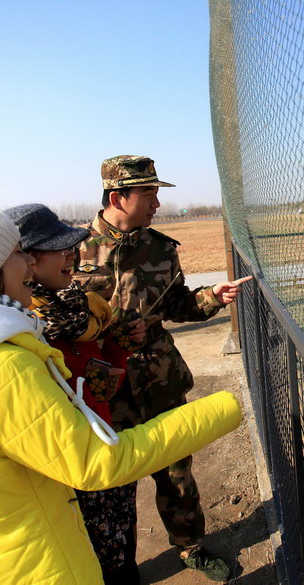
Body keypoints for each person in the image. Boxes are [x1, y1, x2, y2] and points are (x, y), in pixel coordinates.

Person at [0, 203, 242, 585]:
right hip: (28, 563)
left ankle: (186, 545)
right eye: (18, 254)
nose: (27, 264)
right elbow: (95, 463)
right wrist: (224, 408)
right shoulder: (3, 364)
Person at [73, 155, 252, 582]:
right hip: (104, 389)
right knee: (112, 486)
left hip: (160, 382)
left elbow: (177, 307)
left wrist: (212, 296)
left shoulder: (160, 248)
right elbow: (58, 323)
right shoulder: (73, 250)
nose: (156, 203)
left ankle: (190, 548)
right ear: (118, 197)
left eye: (157, 193)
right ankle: (118, 567)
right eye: (149, 194)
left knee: (176, 476)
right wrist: (109, 336)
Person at [6, 202, 146, 584]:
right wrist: (83, 384)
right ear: (27, 260)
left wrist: (117, 344)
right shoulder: (19, 325)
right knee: (95, 561)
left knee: (121, 545)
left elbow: (99, 366)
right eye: (61, 248)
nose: (73, 254)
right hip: (69, 465)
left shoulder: (74, 306)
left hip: (101, 441)